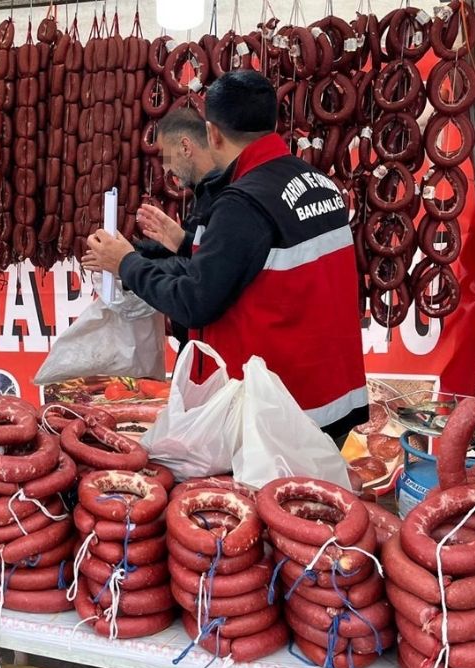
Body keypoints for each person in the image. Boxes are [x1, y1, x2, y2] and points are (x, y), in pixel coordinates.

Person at [83, 70, 368, 444]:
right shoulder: (319, 184)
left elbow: (194, 303)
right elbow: (259, 265)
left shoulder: (243, 202)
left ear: (212, 133)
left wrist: (125, 263)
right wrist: (186, 243)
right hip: (331, 401)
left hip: (281, 416)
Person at [133, 106, 228, 346]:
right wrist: (140, 251)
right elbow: (197, 249)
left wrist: (127, 265)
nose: (166, 168)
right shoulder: (207, 190)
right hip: (198, 341)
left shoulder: (225, 197)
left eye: (166, 155)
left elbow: (199, 272)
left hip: (212, 345)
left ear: (185, 147)